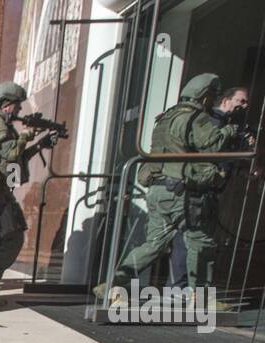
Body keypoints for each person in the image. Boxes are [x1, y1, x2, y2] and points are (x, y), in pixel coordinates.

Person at [95, 74, 250, 310]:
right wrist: (231, 131)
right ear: (205, 95)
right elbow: (211, 145)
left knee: (155, 243)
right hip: (180, 191)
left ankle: (114, 283)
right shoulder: (195, 118)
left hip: (158, 190)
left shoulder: (166, 117)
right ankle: (201, 299)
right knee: (200, 241)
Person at [0, 82, 58, 307]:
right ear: (6, 104)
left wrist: (39, 145)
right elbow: (9, 152)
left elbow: (15, 159)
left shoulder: (0, 124)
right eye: (17, 106)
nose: (19, 111)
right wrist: (27, 135)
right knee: (14, 237)